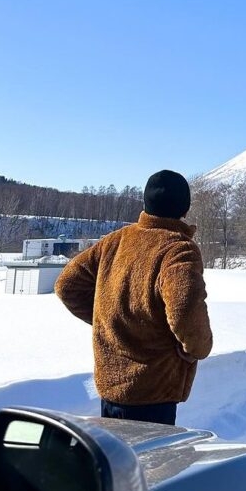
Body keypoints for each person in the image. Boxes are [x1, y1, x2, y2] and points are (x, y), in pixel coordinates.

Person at [55, 169, 213, 426]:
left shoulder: (115, 241)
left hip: (110, 386)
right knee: (150, 465)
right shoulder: (178, 249)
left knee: (119, 464)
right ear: (185, 209)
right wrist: (196, 349)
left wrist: (109, 322)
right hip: (153, 393)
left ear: (145, 204)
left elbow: (66, 285)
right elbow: (185, 309)